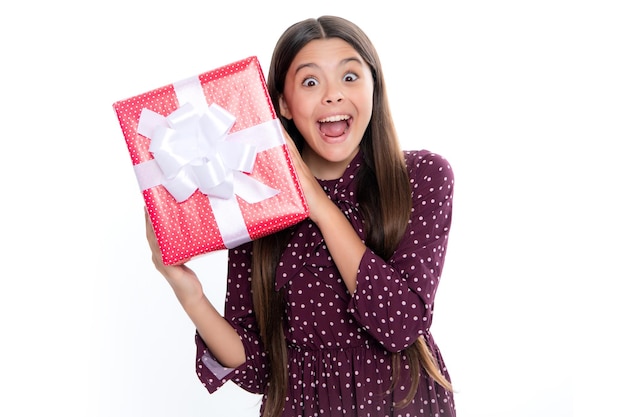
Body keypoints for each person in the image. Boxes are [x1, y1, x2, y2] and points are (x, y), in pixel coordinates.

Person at [146, 15, 456, 417]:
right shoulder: (254, 194)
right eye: (311, 82)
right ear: (283, 105)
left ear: (374, 88)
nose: (332, 96)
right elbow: (257, 370)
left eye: (350, 77)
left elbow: (400, 326)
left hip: (403, 404)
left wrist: (317, 205)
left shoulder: (421, 177)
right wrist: (186, 290)